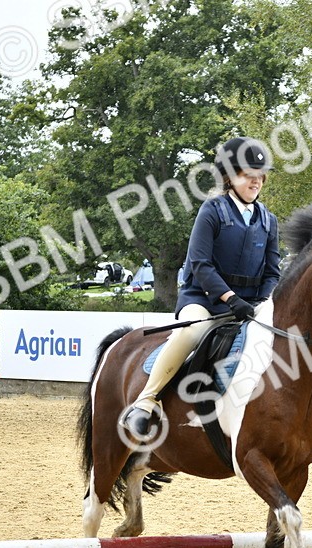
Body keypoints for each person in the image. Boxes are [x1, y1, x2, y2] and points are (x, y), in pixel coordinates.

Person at [120, 136, 280, 440]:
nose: (256, 182)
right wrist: (230, 298)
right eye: (248, 175)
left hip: (249, 304)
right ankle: (146, 400)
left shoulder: (268, 221)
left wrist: (262, 301)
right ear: (230, 177)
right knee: (189, 332)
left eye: (259, 176)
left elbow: (273, 271)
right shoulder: (213, 210)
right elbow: (200, 264)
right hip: (205, 300)